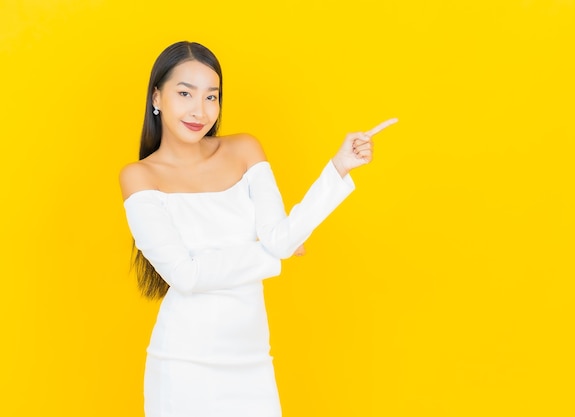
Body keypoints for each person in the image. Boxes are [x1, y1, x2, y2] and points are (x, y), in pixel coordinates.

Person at [119, 41, 396, 417]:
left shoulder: (244, 149)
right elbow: (185, 275)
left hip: (252, 361)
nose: (199, 110)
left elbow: (281, 237)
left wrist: (339, 167)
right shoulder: (139, 177)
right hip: (183, 365)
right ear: (157, 96)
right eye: (185, 93)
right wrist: (270, 258)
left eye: (211, 97)